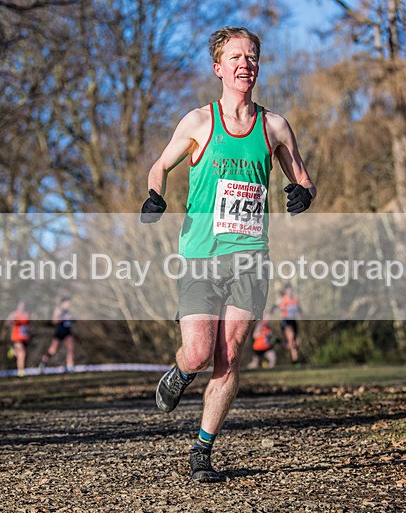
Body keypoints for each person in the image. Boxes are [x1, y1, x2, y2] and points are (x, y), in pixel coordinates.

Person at [141, 27, 317, 482]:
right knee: (199, 353)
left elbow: (302, 176)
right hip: (201, 255)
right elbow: (159, 166)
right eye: (236, 57)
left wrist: (304, 193)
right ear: (218, 68)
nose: (245, 64)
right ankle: (180, 371)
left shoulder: (274, 126)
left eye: (252, 56)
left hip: (251, 256)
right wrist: (156, 196)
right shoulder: (199, 122)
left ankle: (202, 450)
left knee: (231, 354)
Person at [41, 297, 76, 371]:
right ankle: (44, 361)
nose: (68, 305)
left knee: (71, 348)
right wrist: (63, 318)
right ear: (63, 303)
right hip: (60, 332)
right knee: (53, 350)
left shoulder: (68, 311)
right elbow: (54, 321)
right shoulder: (58, 310)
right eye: (67, 303)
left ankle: (70, 366)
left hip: (67, 332)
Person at [5, 300, 30, 377]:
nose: (22, 307)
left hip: (24, 337)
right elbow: (6, 323)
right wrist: (12, 321)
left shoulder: (27, 314)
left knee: (20, 354)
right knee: (22, 353)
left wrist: (28, 329)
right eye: (20, 305)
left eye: (23, 305)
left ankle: (13, 352)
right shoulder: (14, 314)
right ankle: (21, 371)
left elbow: (29, 325)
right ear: (18, 306)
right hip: (16, 337)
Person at [278, 284, 302, 364]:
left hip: (293, 321)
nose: (290, 291)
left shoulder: (295, 299)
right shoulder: (283, 299)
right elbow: (279, 309)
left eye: (291, 290)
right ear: (285, 291)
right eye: (288, 290)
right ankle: (295, 359)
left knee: (294, 342)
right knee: (291, 338)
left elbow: (299, 310)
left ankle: (295, 359)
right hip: (286, 321)